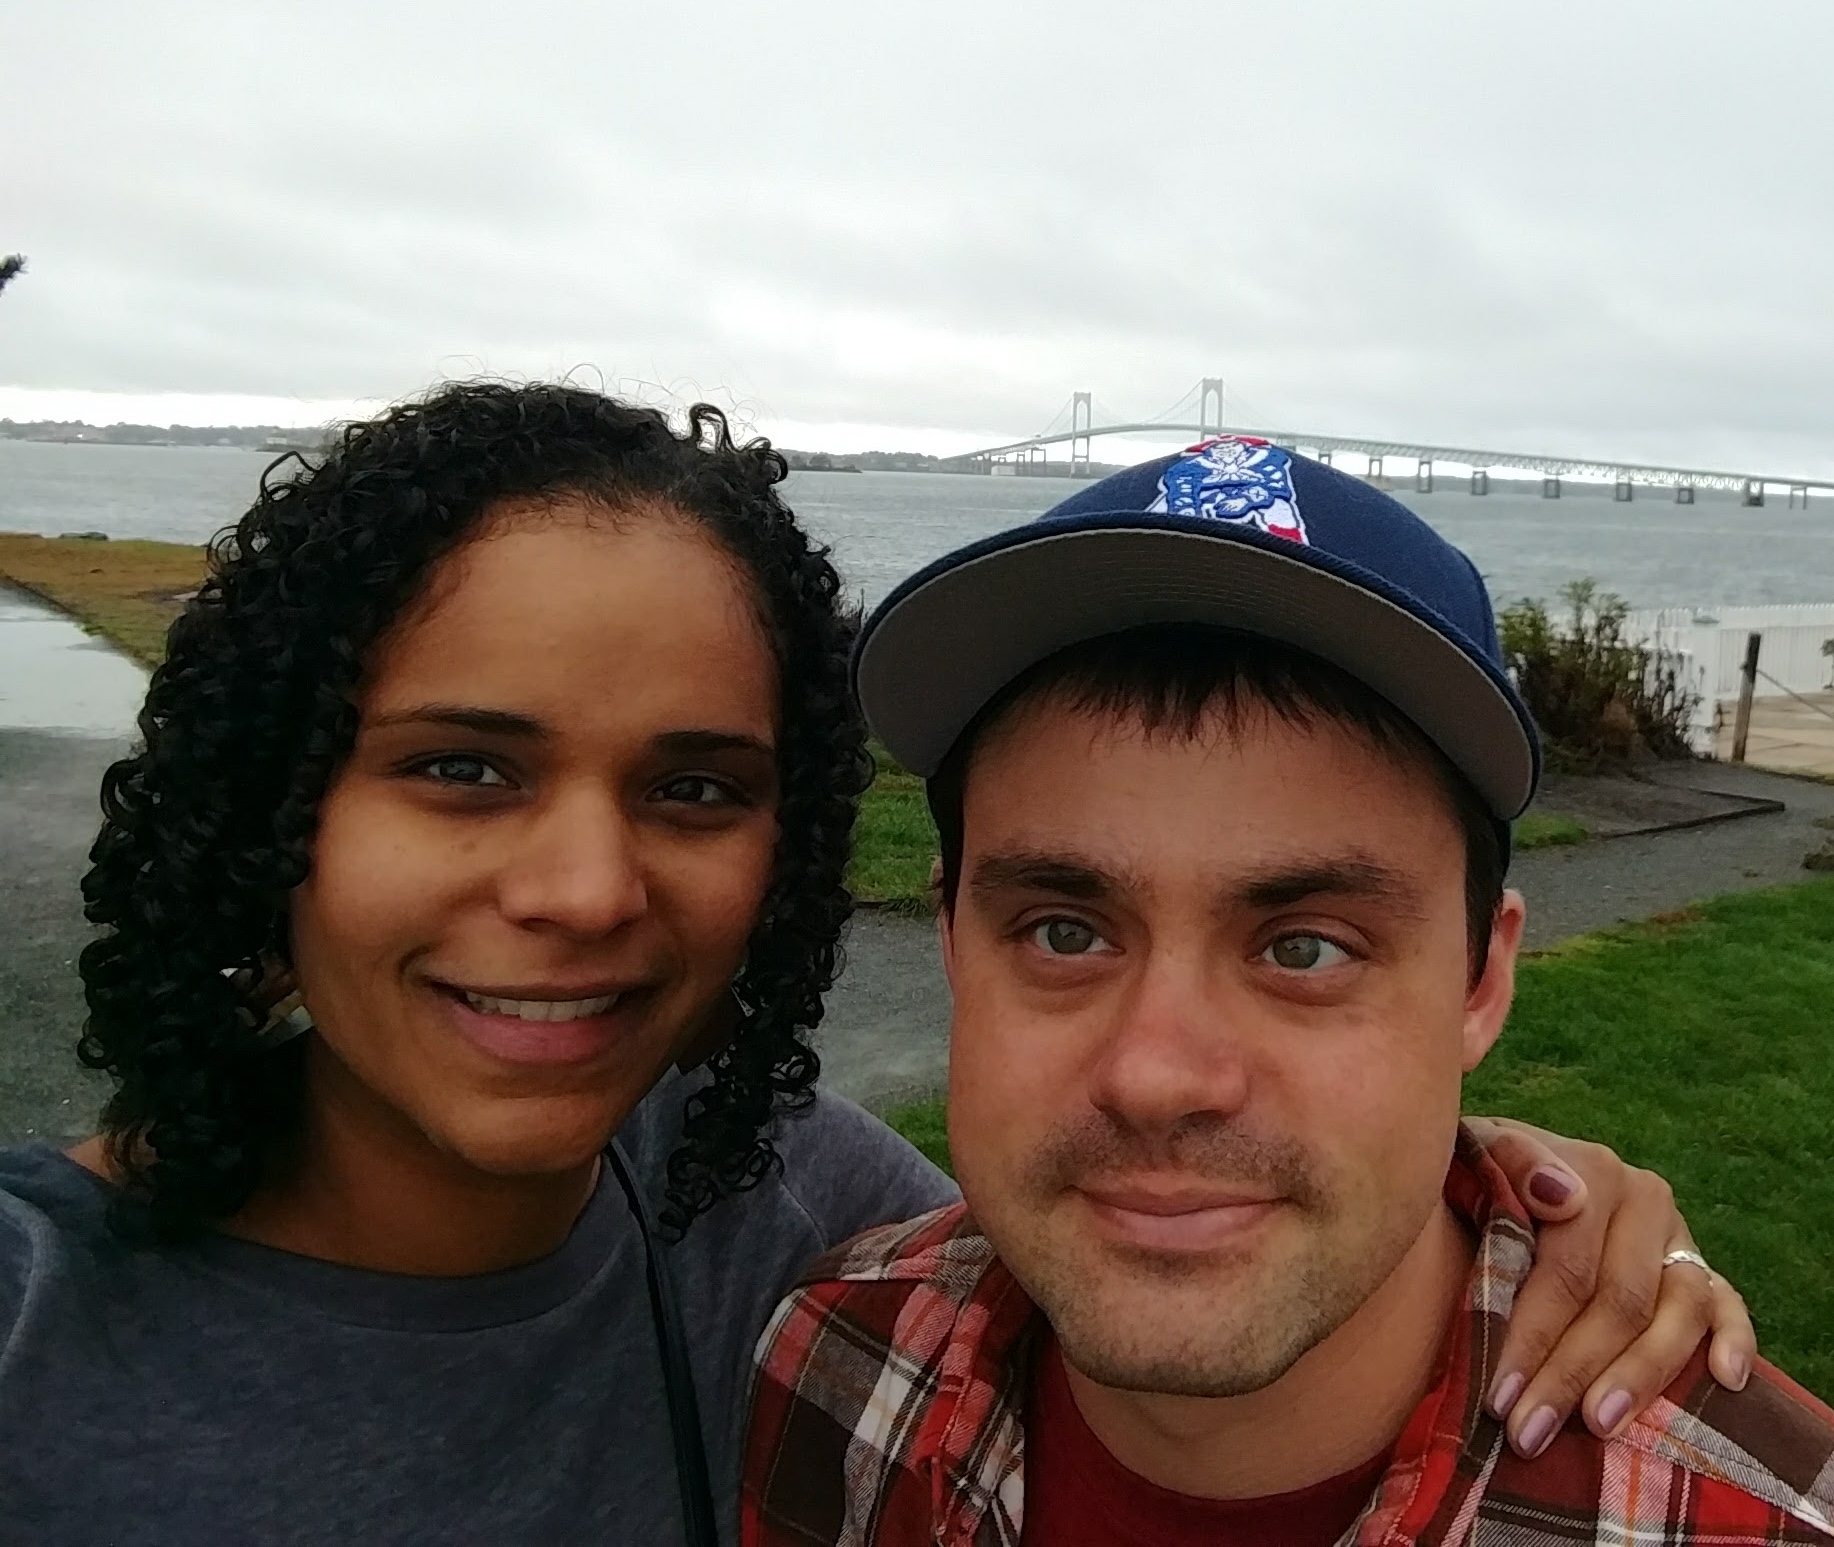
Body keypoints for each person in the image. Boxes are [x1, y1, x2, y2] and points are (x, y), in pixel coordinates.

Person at [0, 391, 1752, 1547]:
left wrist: (1529, 1204)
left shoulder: (771, 1210)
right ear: (275, 796)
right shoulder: (40, 1331)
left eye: (695, 786)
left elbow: (1175, 1205)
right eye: (464, 765)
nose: (583, 884)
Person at [745, 437, 1834, 1546]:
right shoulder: (832, 1361)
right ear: (951, 942)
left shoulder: (1752, 1523)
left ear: (1480, 980)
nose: (1158, 1073)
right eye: (1064, 931)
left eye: (1306, 948)